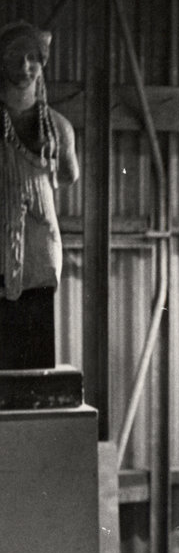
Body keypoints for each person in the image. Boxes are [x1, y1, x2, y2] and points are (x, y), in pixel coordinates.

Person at [0, 20, 79, 369]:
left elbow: (70, 173)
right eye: (16, 56)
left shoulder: (58, 127)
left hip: (39, 244)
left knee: (35, 355)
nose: (24, 66)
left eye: (32, 57)